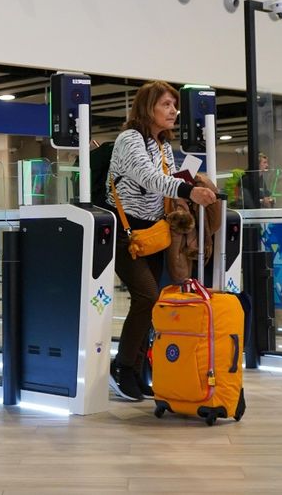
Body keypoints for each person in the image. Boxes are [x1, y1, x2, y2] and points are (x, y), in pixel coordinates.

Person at [105, 81, 217, 402]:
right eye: (166, 105)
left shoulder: (164, 145)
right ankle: (122, 367)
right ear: (148, 107)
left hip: (155, 231)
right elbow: (148, 177)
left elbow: (164, 182)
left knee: (152, 302)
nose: (173, 111)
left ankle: (137, 371)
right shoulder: (130, 139)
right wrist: (187, 191)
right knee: (146, 296)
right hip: (127, 231)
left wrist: (186, 184)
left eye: (174, 106)